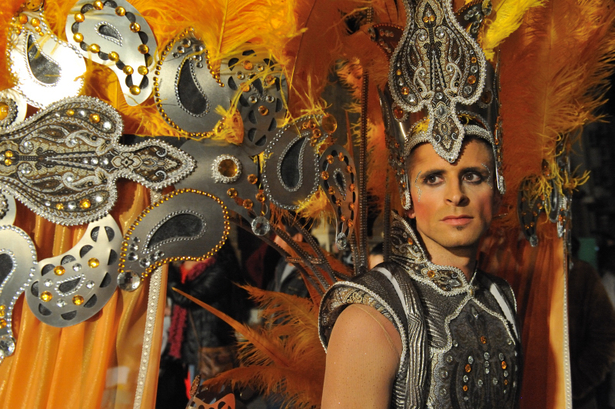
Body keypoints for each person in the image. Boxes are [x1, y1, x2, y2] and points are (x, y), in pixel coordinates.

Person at [318, 1, 521, 406]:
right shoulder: (371, 317)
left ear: (496, 188)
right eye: (433, 178)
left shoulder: (501, 298)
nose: (456, 195)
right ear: (408, 196)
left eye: (473, 176)